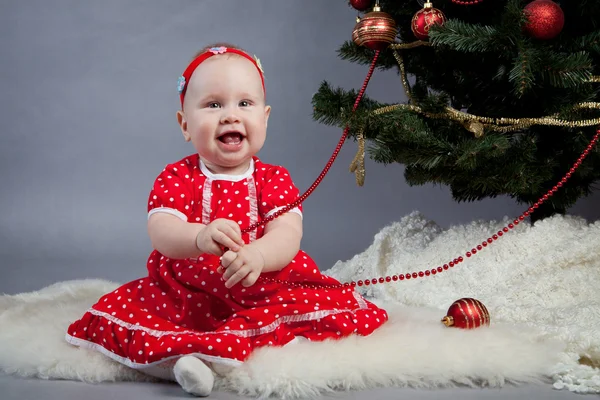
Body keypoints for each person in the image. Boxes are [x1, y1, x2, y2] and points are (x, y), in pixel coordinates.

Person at [65, 43, 388, 397]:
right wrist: (199, 236)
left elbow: (287, 233)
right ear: (185, 124)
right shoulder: (176, 177)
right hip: (187, 293)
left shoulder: (274, 179)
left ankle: (227, 354)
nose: (230, 115)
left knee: (308, 310)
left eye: (244, 103)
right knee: (137, 315)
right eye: (213, 104)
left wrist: (260, 256)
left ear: (264, 118)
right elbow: (162, 230)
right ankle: (182, 363)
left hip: (262, 288)